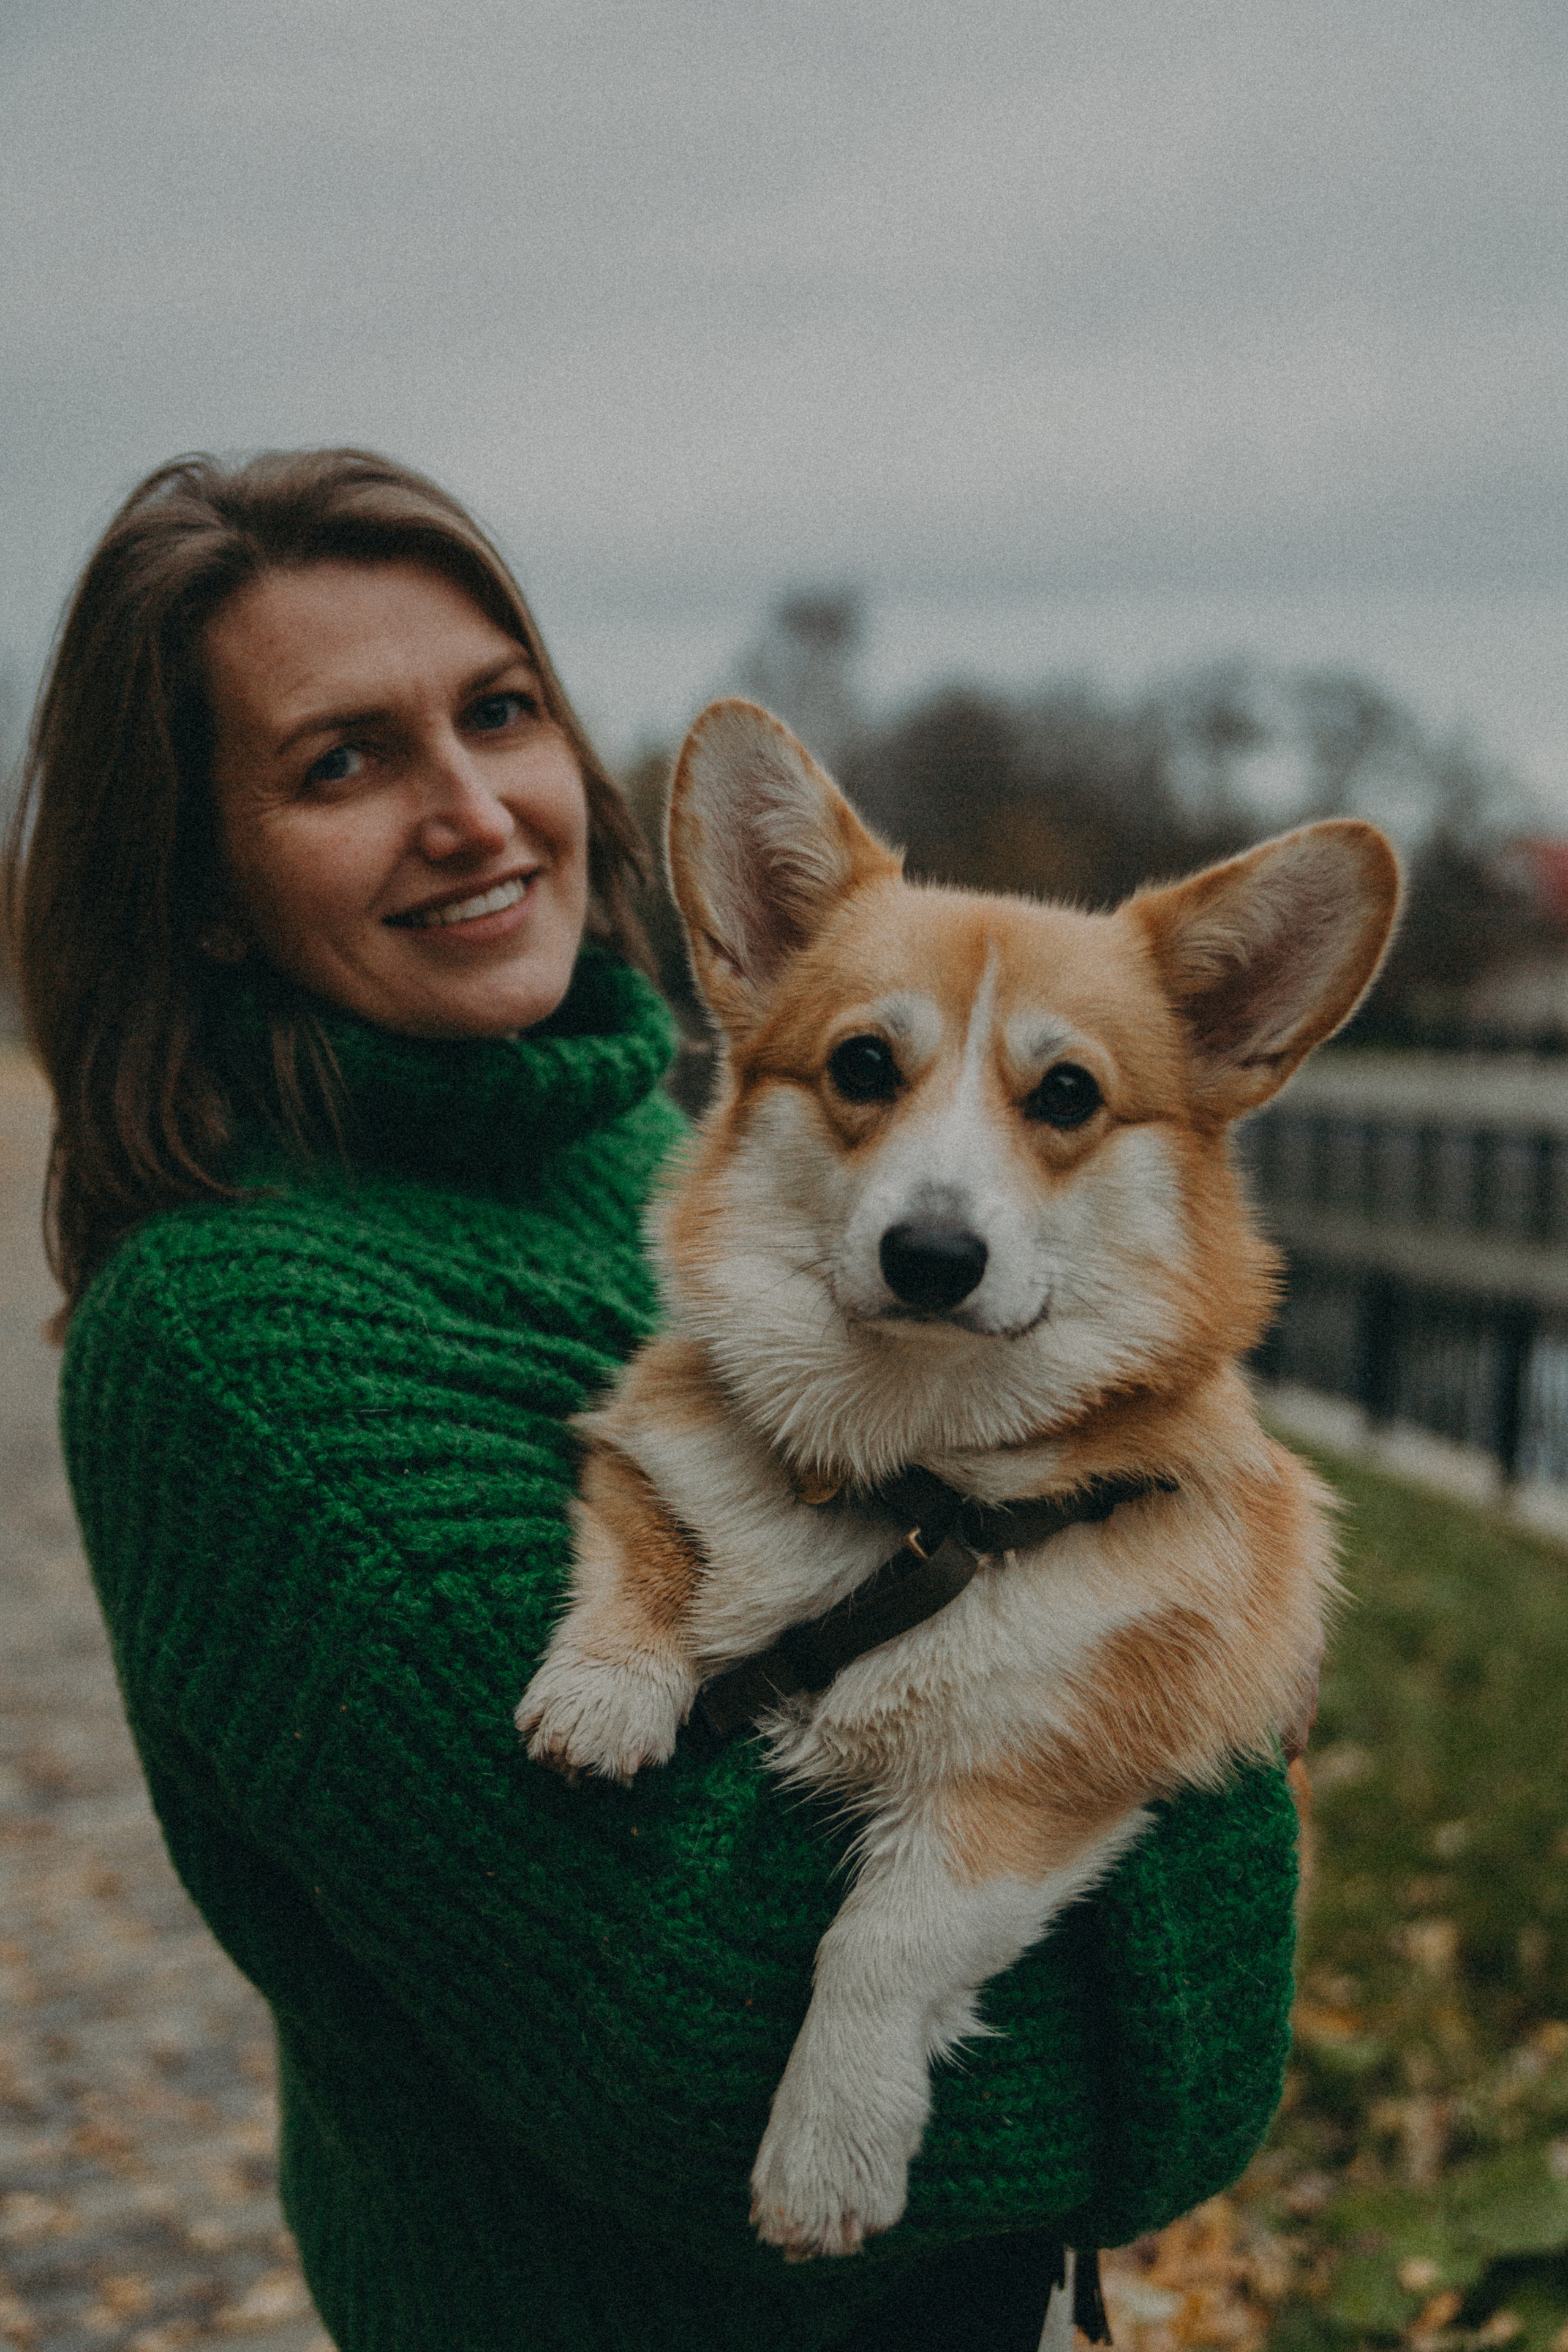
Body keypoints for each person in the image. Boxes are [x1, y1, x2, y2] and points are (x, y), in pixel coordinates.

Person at [4, 450, 1303, 2352]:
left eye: (499, 712)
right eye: (342, 763)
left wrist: (1160, 1647)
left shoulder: (657, 1160)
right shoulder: (240, 1345)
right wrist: (1202, 1767)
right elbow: (698, 2058)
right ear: (202, 888)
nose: (473, 813)